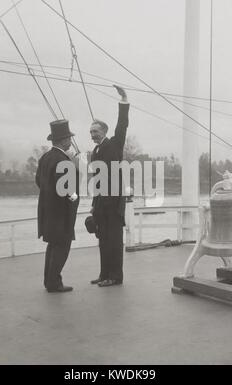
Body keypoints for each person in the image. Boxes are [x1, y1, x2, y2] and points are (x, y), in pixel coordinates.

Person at [90, 85, 130, 287]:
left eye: (95, 131)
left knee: (114, 242)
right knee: (103, 240)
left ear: (104, 132)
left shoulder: (114, 144)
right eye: (91, 132)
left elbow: (122, 125)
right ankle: (104, 273)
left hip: (113, 204)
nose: (92, 135)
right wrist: (94, 204)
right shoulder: (95, 152)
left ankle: (115, 277)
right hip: (100, 204)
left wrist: (123, 100)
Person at [36, 120, 79, 293]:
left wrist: (50, 195)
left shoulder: (45, 158)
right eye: (69, 138)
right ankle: (54, 283)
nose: (70, 141)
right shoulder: (63, 160)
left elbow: (39, 181)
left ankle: (49, 281)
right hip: (61, 215)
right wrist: (75, 197)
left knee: (52, 246)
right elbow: (67, 190)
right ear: (63, 140)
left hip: (47, 212)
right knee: (62, 247)